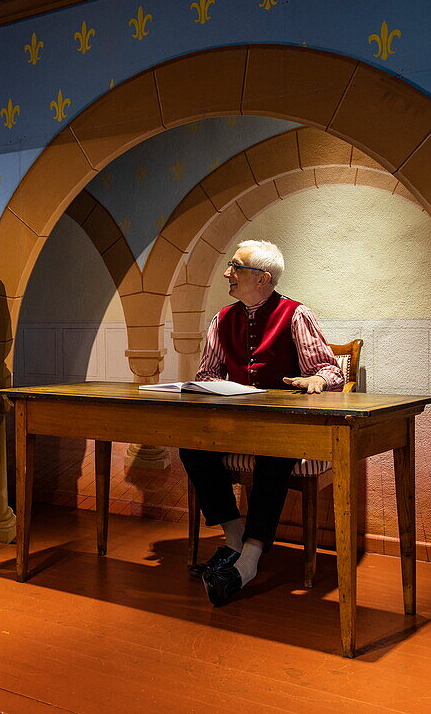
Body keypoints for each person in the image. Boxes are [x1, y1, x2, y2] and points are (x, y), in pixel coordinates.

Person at [181, 240, 343, 605]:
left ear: (263, 278)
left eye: (235, 267)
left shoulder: (296, 314)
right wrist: (206, 387)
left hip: (284, 429)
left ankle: (249, 560)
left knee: (275, 453)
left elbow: (329, 369)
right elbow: (207, 373)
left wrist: (317, 379)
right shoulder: (222, 318)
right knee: (191, 445)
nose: (227, 273)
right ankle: (235, 538)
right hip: (237, 425)